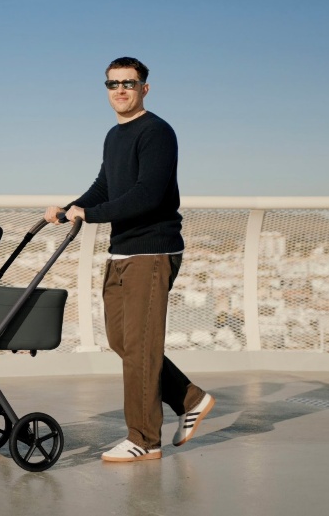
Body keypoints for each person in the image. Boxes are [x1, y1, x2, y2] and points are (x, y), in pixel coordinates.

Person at [45, 56, 215, 462]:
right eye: (113, 83)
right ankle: (190, 399)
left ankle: (144, 439)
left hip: (152, 250)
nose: (120, 89)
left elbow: (147, 194)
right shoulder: (114, 135)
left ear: (144, 88)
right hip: (121, 249)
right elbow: (105, 185)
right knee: (123, 341)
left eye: (129, 83)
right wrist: (71, 207)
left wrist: (92, 214)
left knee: (139, 347)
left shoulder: (157, 132)